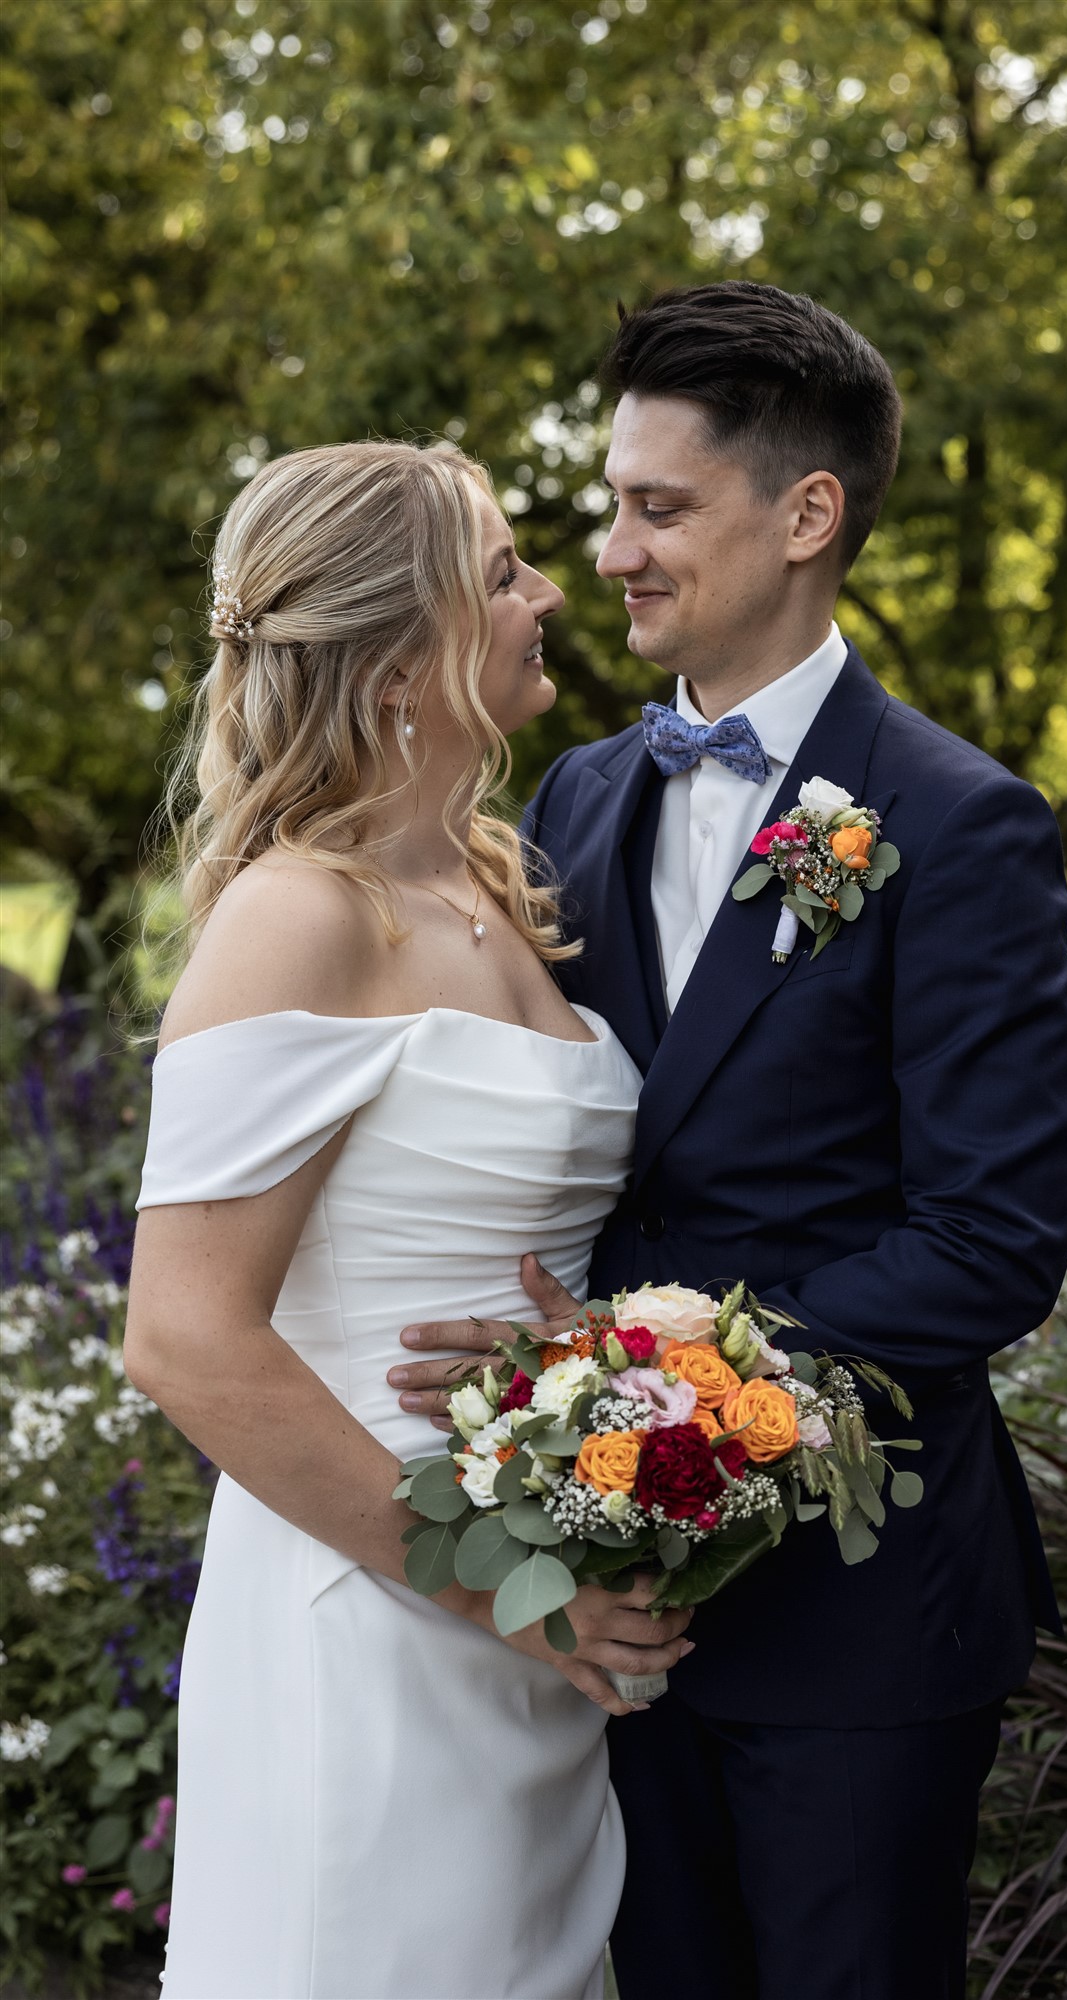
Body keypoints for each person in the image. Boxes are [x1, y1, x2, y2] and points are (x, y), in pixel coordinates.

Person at [387, 283, 1067, 1999]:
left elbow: (991, 1240)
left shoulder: (952, 821)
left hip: (858, 1605)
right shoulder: (577, 797)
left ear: (806, 514)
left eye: (657, 507)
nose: (608, 551)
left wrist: (645, 1379)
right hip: (615, 1601)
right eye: (609, 503)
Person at [123, 438, 694, 2000]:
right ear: (396, 655)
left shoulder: (495, 885)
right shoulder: (296, 912)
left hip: (537, 1613)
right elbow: (182, 1336)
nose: (547, 594)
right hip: (375, 1612)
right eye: (503, 568)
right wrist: (505, 1594)